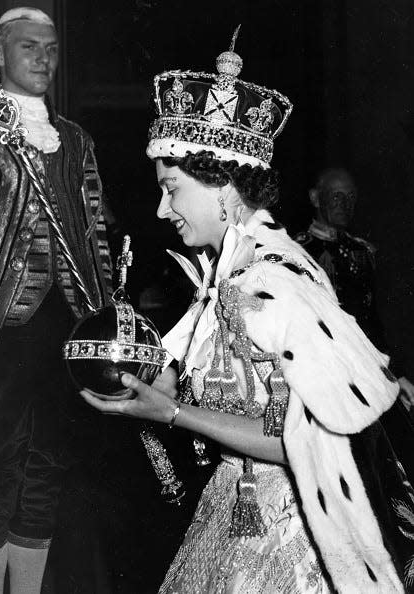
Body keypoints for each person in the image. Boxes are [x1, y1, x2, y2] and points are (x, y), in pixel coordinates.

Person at [81, 41, 414, 592]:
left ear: (222, 187)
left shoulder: (267, 280)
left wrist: (170, 412)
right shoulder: (230, 271)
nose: (163, 210)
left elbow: (298, 439)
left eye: (172, 189)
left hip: (289, 533)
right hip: (233, 507)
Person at [0, 7, 112, 593]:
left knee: (48, 467)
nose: (44, 58)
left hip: (67, 328)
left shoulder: (75, 140)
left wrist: (109, 318)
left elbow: (95, 231)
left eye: (52, 48)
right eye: (29, 47)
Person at [295, 167, 414, 405]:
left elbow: (373, 322)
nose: (345, 204)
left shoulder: (364, 253)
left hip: (365, 371)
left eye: (351, 197)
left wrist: (396, 374)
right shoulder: (296, 252)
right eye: (337, 196)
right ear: (315, 198)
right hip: (317, 376)